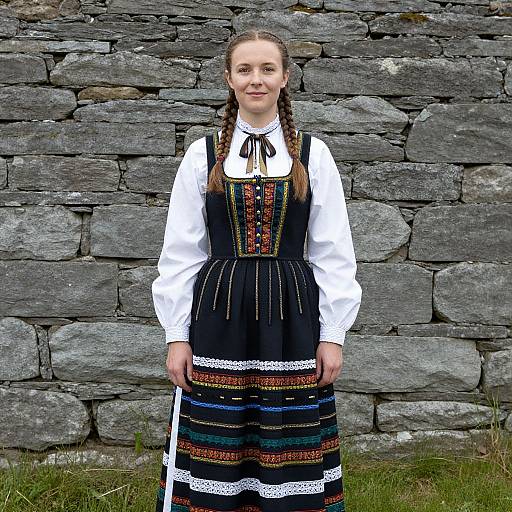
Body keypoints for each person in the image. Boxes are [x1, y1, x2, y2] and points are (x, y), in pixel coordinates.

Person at [152, 29, 362, 512]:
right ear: (229, 78)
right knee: (218, 433)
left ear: (285, 77)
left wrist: (333, 334)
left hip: (290, 316)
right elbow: (182, 251)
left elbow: (333, 251)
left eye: (267, 69)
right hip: (218, 314)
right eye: (245, 70)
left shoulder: (314, 155)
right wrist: (176, 334)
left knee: (287, 433)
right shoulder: (203, 155)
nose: (256, 80)